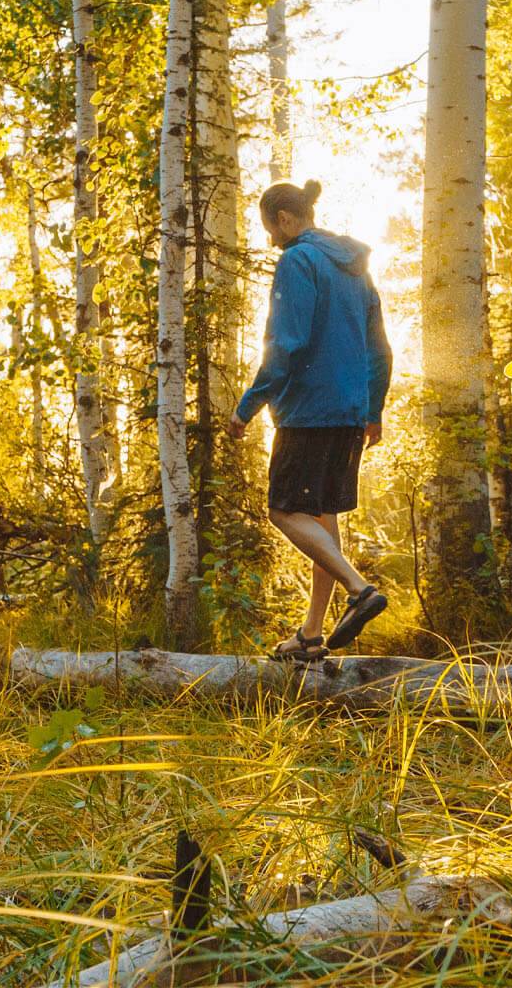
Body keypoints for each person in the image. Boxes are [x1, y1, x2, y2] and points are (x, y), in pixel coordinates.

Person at [228, 178, 393, 661]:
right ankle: (311, 636)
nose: (270, 240)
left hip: (308, 411)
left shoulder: (297, 261)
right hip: (349, 412)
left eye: (269, 228)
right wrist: (373, 409)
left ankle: (359, 590)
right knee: (323, 519)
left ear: (284, 218)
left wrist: (248, 406)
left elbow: (288, 343)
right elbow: (379, 347)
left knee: (283, 510)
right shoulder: (356, 269)